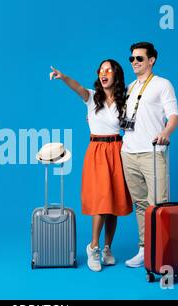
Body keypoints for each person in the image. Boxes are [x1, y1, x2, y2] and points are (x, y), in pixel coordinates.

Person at [49, 60, 133, 272]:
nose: (104, 73)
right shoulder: (91, 97)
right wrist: (63, 76)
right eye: (101, 70)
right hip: (97, 150)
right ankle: (93, 247)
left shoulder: (126, 100)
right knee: (102, 200)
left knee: (114, 202)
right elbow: (77, 87)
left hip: (117, 150)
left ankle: (107, 248)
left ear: (116, 75)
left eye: (109, 70)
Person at [120, 42, 178, 268]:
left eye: (139, 58)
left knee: (159, 204)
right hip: (128, 153)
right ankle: (144, 250)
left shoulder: (163, 84)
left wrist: (165, 132)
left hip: (153, 152)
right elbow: (122, 118)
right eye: (132, 59)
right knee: (141, 205)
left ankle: (162, 252)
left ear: (151, 60)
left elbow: (174, 115)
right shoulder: (129, 87)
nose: (134, 62)